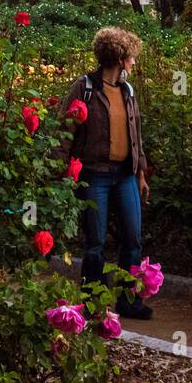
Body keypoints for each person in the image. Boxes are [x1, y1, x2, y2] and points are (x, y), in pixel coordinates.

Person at [53, 26, 153, 319]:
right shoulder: (84, 88)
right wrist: (60, 173)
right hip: (94, 175)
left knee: (132, 238)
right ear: (120, 58)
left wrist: (141, 173)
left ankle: (128, 301)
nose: (134, 63)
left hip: (125, 175)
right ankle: (93, 302)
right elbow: (64, 131)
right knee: (95, 242)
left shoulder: (127, 91)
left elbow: (136, 135)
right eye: (131, 57)